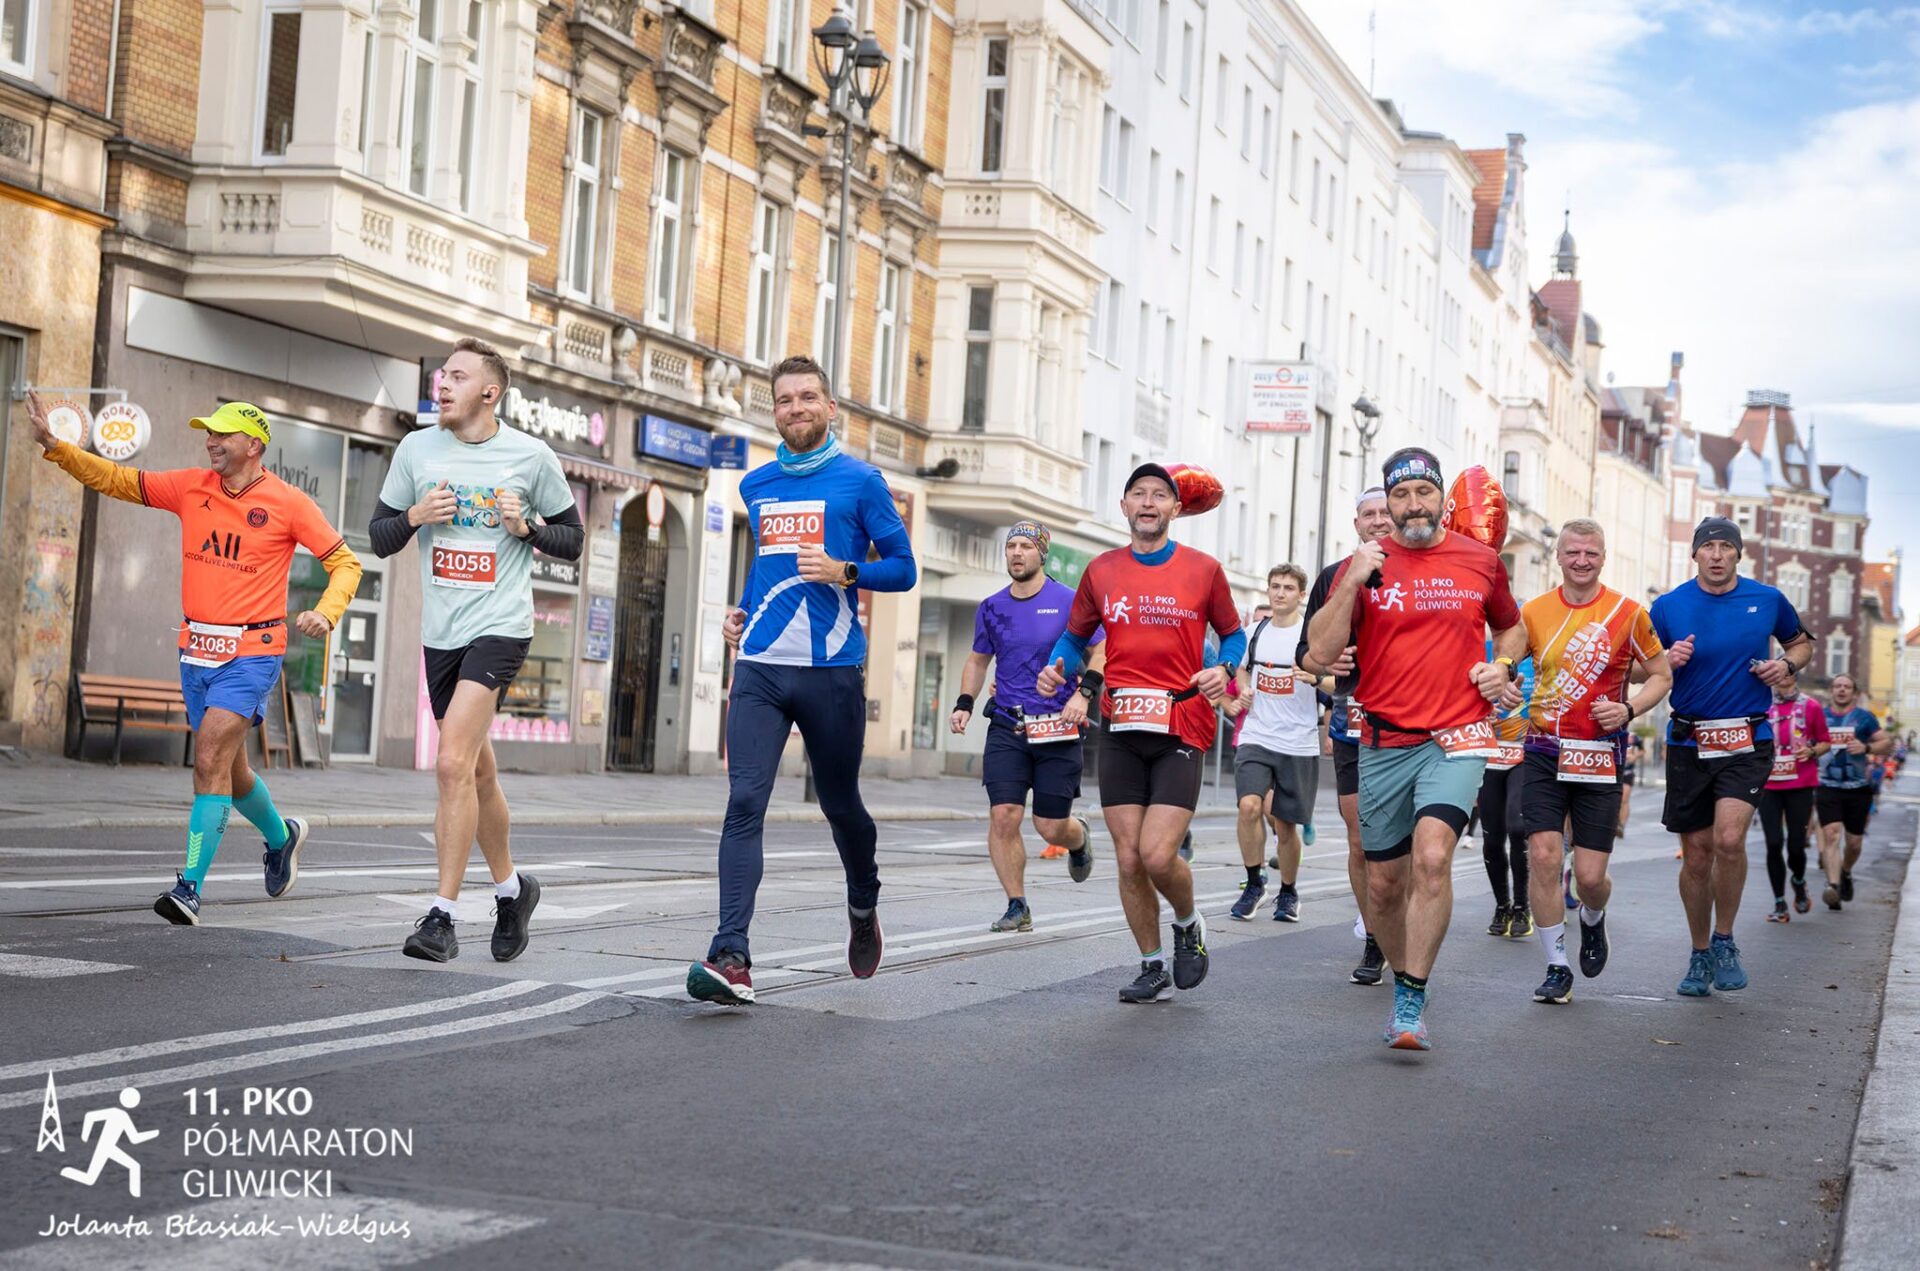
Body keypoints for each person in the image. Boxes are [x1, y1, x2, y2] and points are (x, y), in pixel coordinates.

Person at [26, 392, 360, 924]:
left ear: (254, 444)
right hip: (197, 650)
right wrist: (57, 447)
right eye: (209, 433)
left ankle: (189, 888)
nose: (211, 441)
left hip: (253, 652)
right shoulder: (190, 486)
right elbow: (117, 480)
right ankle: (281, 837)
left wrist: (327, 611)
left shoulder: (289, 503)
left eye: (222, 434)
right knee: (231, 770)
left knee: (206, 759)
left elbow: (345, 563)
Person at [688, 356, 916, 1004]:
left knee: (840, 804)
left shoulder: (862, 482)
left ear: (830, 407)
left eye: (808, 397)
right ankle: (732, 954)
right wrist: (741, 609)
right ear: (774, 410)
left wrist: (846, 571)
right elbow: (771, 568)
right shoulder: (756, 485)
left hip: (831, 671)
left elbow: (903, 569)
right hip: (760, 665)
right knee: (744, 801)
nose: (795, 408)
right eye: (784, 399)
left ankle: (863, 900)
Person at [371, 338, 583, 964]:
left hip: (500, 627)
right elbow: (380, 537)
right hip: (442, 633)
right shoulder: (416, 449)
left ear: (490, 393)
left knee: (450, 764)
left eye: (457, 376)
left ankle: (442, 916)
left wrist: (529, 528)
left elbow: (573, 539)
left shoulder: (531, 455)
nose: (442, 384)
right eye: (442, 374)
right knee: (477, 773)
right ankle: (513, 891)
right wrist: (414, 515)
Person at [1306, 448, 1523, 1051]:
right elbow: (1320, 653)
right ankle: (1404, 972)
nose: (1413, 505)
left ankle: (1411, 996)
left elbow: (1511, 626)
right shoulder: (1364, 566)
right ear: (1389, 503)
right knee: (1383, 885)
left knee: (1431, 859)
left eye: (1424, 492)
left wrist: (1502, 665)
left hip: (1457, 736)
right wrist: (1352, 581)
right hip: (1384, 741)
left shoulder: (1480, 560)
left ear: (1441, 499)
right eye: (1400, 495)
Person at [1038, 463, 1243, 1003]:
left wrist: (1224, 669)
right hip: (1122, 726)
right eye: (1138, 494)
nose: (1148, 502)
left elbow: (1234, 635)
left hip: (1182, 725)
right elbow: (1074, 638)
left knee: (1156, 854)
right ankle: (1152, 965)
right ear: (1124, 507)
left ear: (1175, 508)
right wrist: (1057, 668)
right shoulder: (1102, 570)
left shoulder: (1204, 570)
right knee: (1128, 858)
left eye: (1159, 495)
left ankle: (1188, 923)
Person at [1650, 517, 1812, 996]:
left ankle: (1725, 940)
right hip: (1689, 741)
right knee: (1697, 854)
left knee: (1728, 839)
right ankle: (1700, 952)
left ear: (1739, 554)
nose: (1717, 555)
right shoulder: (1668, 606)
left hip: (1747, 738)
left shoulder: (1768, 599)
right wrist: (1665, 661)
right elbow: (1636, 667)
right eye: (1709, 547)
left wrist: (1785, 664)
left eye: (1726, 547)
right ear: (1695, 554)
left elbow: (1801, 643)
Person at [1515, 520, 1672, 1006]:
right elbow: (1507, 663)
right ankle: (1556, 965)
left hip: (1599, 756)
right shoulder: (1534, 611)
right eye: (1573, 552)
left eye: (1591, 553)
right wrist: (1503, 682)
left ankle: (1592, 916)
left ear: (1603, 558)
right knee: (1544, 856)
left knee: (1588, 878)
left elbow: (1661, 674)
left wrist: (1628, 709)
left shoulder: (1628, 613)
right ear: (1558, 556)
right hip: (1543, 750)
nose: (1581, 561)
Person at [949, 520, 1098, 931]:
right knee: (1004, 815)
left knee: (1049, 826)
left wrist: (1084, 693)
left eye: (1025, 546)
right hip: (1008, 725)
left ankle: (1078, 838)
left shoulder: (1070, 601)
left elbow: (1101, 648)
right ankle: (1018, 905)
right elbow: (978, 660)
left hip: (1058, 726)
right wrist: (964, 703)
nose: (1016, 553)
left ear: (1042, 554)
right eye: (1011, 546)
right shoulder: (992, 606)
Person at [1298, 487, 1396, 984]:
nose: (1378, 520)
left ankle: (1404, 924)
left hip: (1411, 722)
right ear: (1356, 524)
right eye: (1368, 514)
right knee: (1360, 839)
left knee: (1408, 844)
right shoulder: (1333, 576)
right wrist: (1324, 662)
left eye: (1385, 511)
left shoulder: (1427, 572)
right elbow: (1305, 655)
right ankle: (1375, 937)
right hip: (1352, 719)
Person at [1220, 564, 1319, 923]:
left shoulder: (1311, 635)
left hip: (1298, 740)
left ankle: (1288, 892)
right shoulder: (1254, 632)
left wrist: (1315, 677)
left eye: (1288, 588)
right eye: (1275, 586)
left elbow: (1335, 682)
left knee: (1285, 824)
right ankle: (1253, 883)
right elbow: (1240, 667)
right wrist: (1245, 688)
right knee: (1248, 806)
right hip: (1257, 735)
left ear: (1301, 595)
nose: (1279, 593)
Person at [1815, 672, 1893, 910]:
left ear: (1855, 693)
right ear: (1831, 690)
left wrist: (1867, 747)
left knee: (1854, 844)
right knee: (1831, 835)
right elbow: (1806, 740)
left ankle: (1846, 871)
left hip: (1858, 788)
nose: (1841, 690)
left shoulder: (1864, 718)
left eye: (1846, 687)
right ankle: (1833, 886)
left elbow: (1887, 743)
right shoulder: (1820, 716)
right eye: (1837, 686)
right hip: (1827, 785)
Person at [1477, 644, 1536, 940]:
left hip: (1525, 754)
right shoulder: (1482, 649)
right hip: (1488, 754)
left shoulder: (1539, 655)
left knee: (1517, 827)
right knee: (1492, 838)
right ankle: (1503, 906)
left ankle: (1523, 907)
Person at [1758, 678, 1828, 922]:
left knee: (1796, 846)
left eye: (1786, 671)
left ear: (1794, 675)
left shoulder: (1811, 706)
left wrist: (1812, 751)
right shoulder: (1761, 705)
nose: (1781, 677)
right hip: (1769, 784)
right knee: (1773, 843)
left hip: (1801, 784)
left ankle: (1798, 881)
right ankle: (1779, 902)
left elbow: (1825, 741)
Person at [1619, 733, 1645, 838]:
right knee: (1615, 799)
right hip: (1614, 772)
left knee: (1624, 799)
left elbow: (1642, 750)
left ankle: (1622, 825)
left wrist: (1635, 756)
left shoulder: (1634, 736)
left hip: (1627, 772)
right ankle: (1614, 823)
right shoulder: (1613, 731)